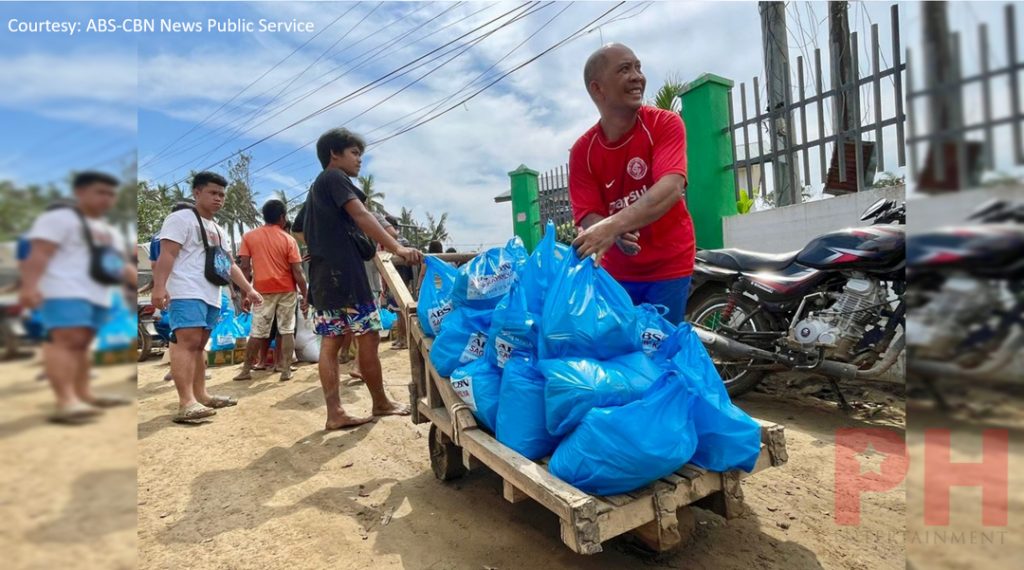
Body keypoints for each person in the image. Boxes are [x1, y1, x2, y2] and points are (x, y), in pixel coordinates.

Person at [303, 127, 423, 430]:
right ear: (334, 154)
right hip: (347, 277)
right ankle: (380, 402)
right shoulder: (334, 178)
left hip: (324, 278)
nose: (359, 161)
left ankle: (335, 413)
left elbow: (299, 228)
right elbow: (362, 215)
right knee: (367, 339)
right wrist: (397, 247)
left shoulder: (317, 188)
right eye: (355, 153)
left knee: (330, 343)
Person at [568, 43, 695, 325]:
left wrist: (614, 226)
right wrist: (611, 231)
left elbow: (672, 187)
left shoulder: (665, 124)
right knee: (619, 351)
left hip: (669, 266)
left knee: (659, 349)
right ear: (598, 89)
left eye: (638, 67)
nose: (637, 76)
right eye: (625, 69)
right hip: (617, 273)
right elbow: (588, 214)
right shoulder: (582, 152)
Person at [18, 171, 136, 423]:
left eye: (110, 193)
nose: (107, 198)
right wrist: (29, 287)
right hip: (63, 291)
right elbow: (39, 253)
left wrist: (142, 282)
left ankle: (84, 395)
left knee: (82, 344)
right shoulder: (59, 218)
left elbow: (119, 264)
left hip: (98, 295)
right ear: (80, 193)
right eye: (100, 192)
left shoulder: (107, 230)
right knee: (65, 341)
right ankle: (65, 401)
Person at [151, 171, 263, 423]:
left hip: (210, 293)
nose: (219, 199)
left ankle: (201, 395)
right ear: (197, 193)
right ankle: (186, 402)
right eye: (213, 193)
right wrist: (159, 287)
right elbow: (166, 255)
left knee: (200, 345)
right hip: (186, 290)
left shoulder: (217, 229)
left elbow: (229, 264)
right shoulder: (180, 219)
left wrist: (249, 289)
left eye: (222, 195)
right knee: (186, 343)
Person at [233, 199, 307, 382]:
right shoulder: (288, 239)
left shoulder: (249, 237)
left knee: (257, 331)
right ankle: (285, 369)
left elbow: (244, 268)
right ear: (282, 217)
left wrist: (246, 294)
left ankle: (246, 370)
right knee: (287, 329)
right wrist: (305, 295)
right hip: (287, 289)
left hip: (261, 290)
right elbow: (297, 272)